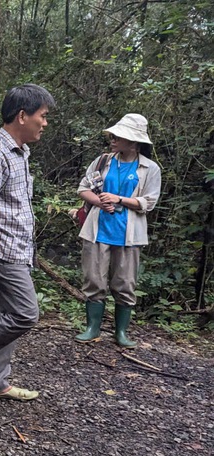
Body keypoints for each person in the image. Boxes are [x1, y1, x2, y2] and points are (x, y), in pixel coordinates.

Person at [0, 84, 55, 401]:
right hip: (3, 252)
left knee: (6, 314)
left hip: (18, 251)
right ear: (22, 116)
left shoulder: (20, 152)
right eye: (42, 116)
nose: (44, 123)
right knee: (24, 314)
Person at [74, 113, 161, 348]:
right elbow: (83, 188)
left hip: (129, 234)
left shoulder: (149, 168)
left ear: (133, 141)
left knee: (125, 283)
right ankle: (92, 328)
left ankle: (121, 332)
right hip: (97, 229)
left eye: (118, 136)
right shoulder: (102, 161)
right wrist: (100, 202)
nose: (112, 139)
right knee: (93, 280)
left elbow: (149, 202)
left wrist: (119, 199)